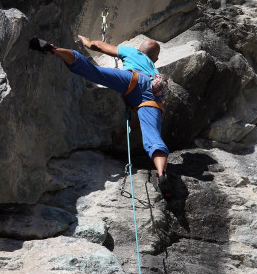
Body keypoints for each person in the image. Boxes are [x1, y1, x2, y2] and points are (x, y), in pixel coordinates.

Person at [30, 34, 172, 197]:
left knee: (94, 72)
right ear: (156, 59)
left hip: (132, 78)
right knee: (154, 139)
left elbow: (98, 46)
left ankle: (55, 50)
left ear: (141, 49)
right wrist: (123, 131)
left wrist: (87, 42)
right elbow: (145, 120)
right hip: (153, 95)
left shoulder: (133, 52)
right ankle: (162, 174)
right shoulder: (155, 71)